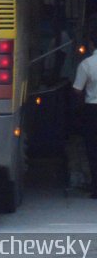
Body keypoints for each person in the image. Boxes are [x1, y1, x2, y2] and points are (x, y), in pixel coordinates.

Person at [72, 32, 97, 199]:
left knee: (93, 149)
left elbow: (77, 89)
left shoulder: (86, 64)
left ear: (91, 44)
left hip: (92, 110)